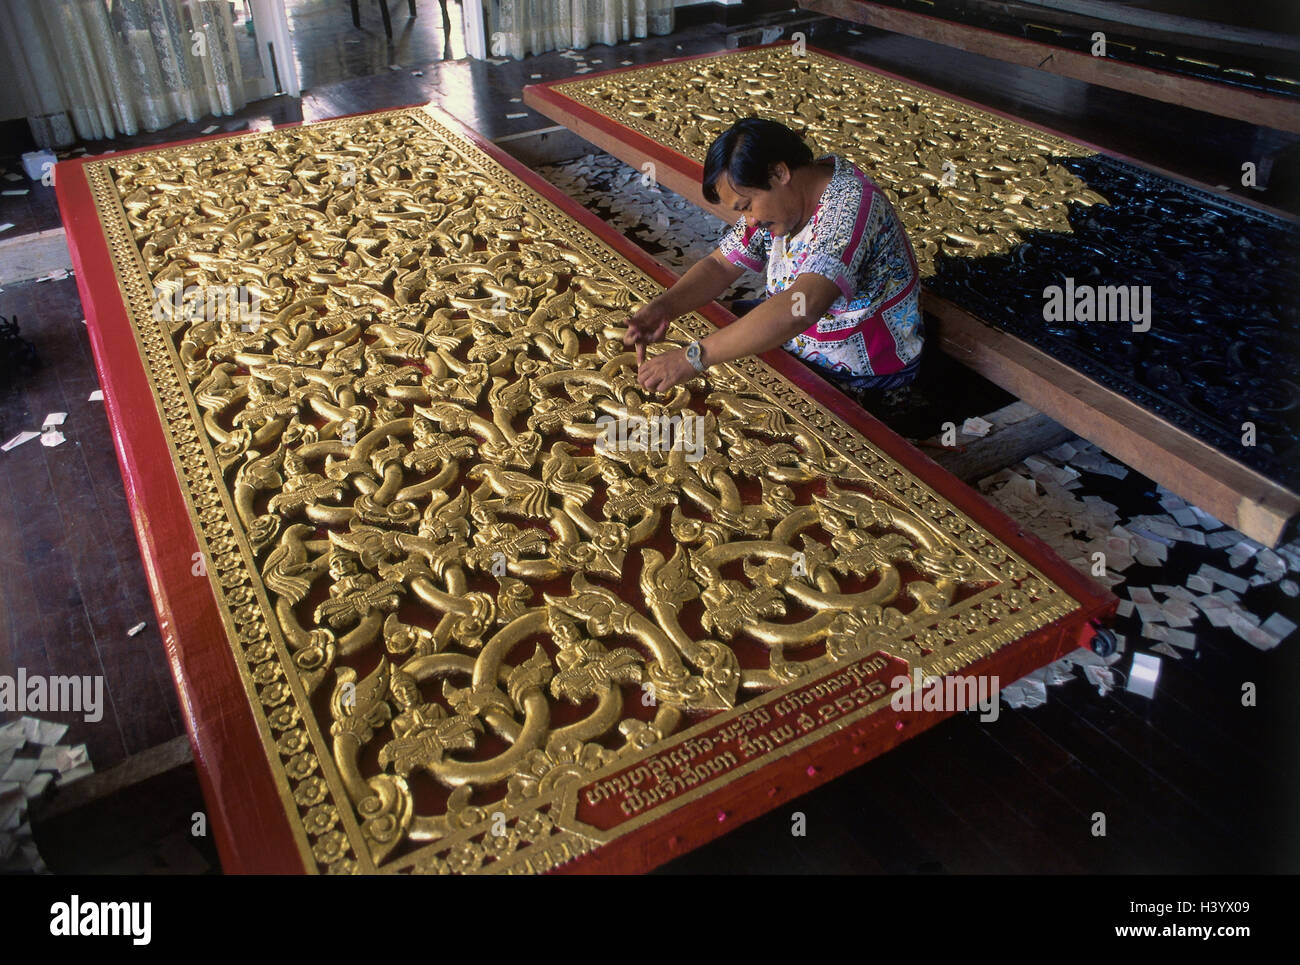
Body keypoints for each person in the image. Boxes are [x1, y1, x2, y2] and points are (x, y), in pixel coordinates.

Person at [623, 117, 925, 410]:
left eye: (747, 206)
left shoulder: (848, 208)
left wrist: (693, 357)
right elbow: (720, 265)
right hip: (799, 339)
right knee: (712, 337)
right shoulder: (778, 201)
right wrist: (665, 308)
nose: (749, 220)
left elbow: (802, 307)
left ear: (779, 173)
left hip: (862, 371)